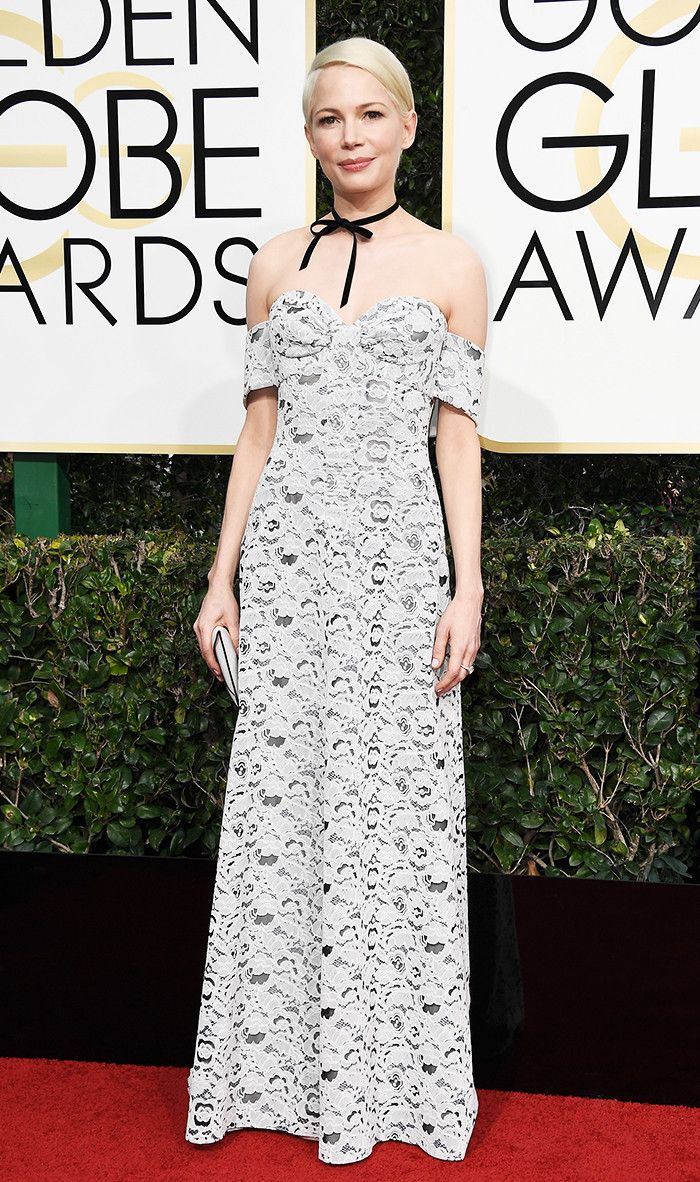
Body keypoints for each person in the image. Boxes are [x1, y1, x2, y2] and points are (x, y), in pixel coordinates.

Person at [185, 35, 487, 1166]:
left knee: (393, 820)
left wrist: (467, 585)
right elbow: (256, 434)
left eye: (370, 116)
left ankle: (388, 1084)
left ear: (410, 126)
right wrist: (222, 578)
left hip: (401, 564)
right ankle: (275, 1075)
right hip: (293, 569)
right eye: (329, 121)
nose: (351, 137)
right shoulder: (273, 262)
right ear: (309, 137)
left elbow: (456, 440)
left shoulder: (454, 267)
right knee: (286, 806)